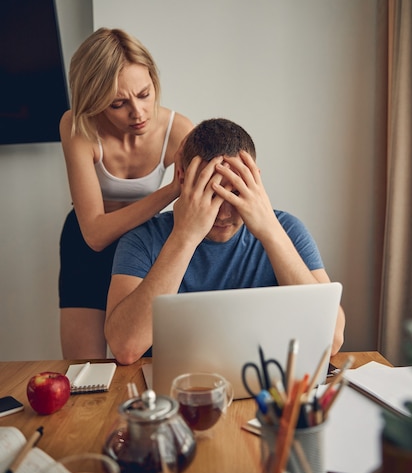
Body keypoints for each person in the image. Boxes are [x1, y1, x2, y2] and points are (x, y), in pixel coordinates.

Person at [105, 118, 345, 365]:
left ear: (255, 183)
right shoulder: (143, 239)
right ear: (182, 178)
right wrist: (185, 238)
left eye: (236, 193)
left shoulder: (287, 231)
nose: (223, 214)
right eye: (210, 193)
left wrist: (270, 232)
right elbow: (125, 347)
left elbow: (333, 338)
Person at [59, 28, 194, 359]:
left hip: (145, 246)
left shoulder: (178, 131)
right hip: (86, 248)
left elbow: (198, 213)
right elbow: (94, 233)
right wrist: (169, 192)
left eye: (144, 94)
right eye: (118, 103)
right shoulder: (77, 126)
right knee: (83, 370)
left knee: (144, 362)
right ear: (94, 100)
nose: (138, 113)